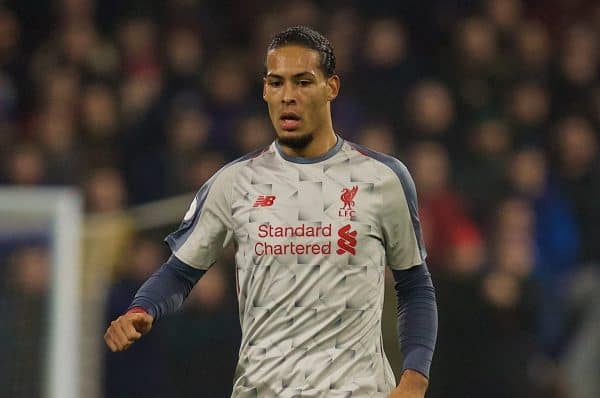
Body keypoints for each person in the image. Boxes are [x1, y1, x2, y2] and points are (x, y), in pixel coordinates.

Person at [104, 26, 438, 398]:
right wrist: (142, 308)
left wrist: (415, 379)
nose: (288, 97)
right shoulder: (234, 182)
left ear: (332, 87)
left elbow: (414, 285)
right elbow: (180, 272)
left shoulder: (382, 178)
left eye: (303, 82)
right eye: (276, 83)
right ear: (264, 90)